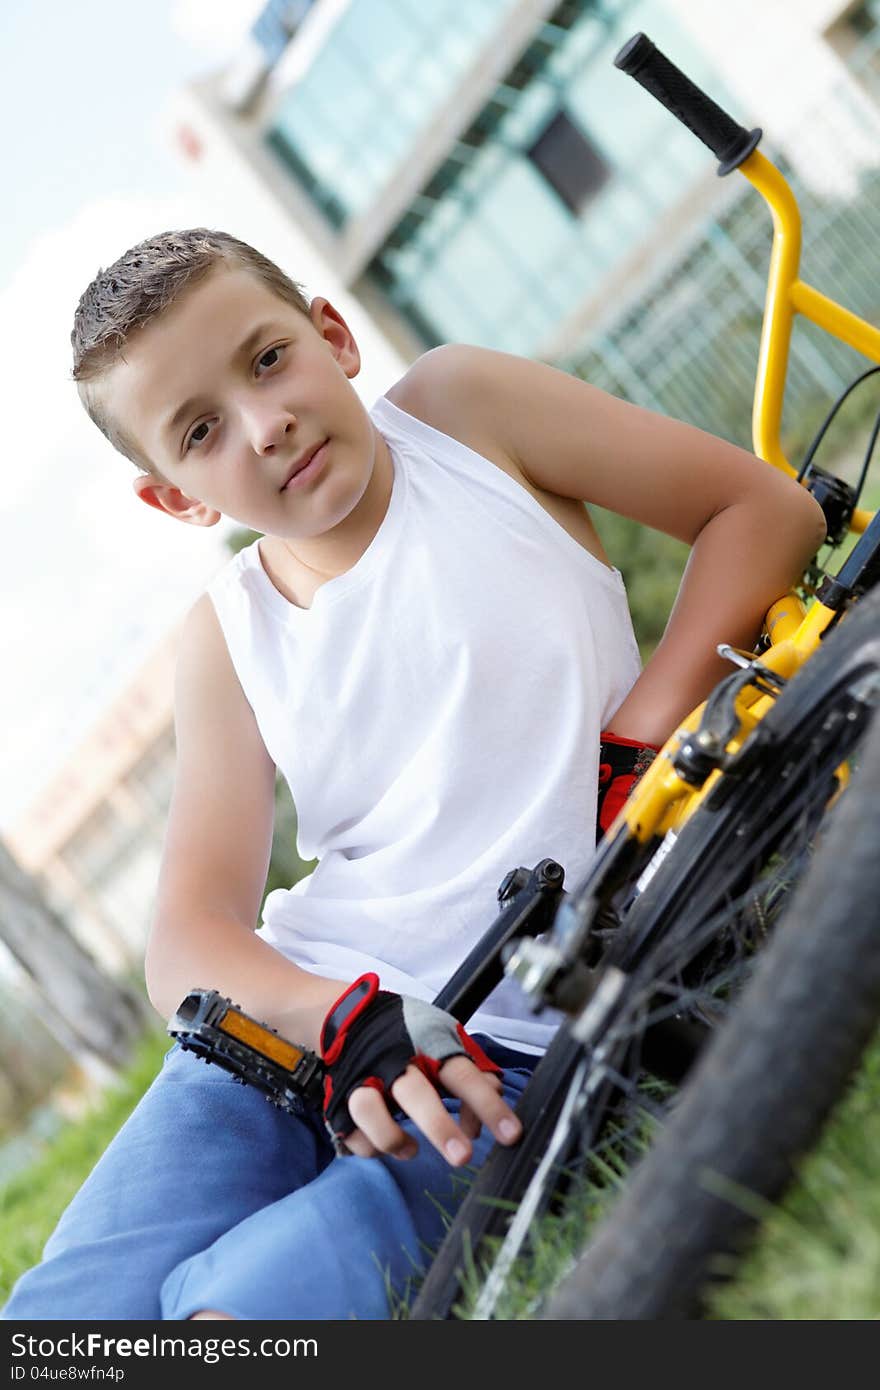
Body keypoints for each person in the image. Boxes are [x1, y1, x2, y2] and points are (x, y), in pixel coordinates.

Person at [3, 230, 825, 1322]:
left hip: (511, 1040)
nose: (266, 424)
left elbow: (763, 512)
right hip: (303, 1026)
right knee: (65, 1322)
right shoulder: (227, 636)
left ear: (330, 335)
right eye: (201, 431)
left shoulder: (461, 414)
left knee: (232, 1318)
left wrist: (635, 739)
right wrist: (338, 1018)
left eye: (266, 360)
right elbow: (187, 941)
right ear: (178, 498)